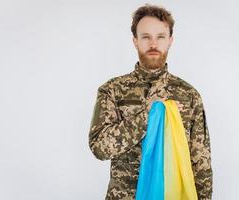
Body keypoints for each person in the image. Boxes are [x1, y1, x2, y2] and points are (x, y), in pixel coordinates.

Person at [88, 4, 212, 200]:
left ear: (170, 41)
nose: (153, 44)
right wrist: (147, 116)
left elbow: (200, 162)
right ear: (135, 41)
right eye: (146, 37)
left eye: (160, 37)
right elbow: (100, 148)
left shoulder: (189, 96)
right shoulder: (112, 90)